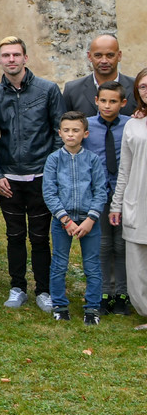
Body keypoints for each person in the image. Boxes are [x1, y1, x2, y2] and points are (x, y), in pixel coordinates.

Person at [0, 36, 65, 311]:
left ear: (25, 58)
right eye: (5, 55)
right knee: (14, 235)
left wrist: (51, 172)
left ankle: (44, 290)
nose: (11, 60)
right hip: (9, 178)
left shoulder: (47, 90)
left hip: (41, 177)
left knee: (41, 237)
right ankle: (17, 287)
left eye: (16, 55)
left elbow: (59, 132)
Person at [45, 111, 110, 323]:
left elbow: (101, 190)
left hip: (89, 221)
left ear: (85, 133)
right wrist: (65, 220)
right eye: (66, 130)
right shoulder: (53, 160)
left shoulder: (92, 160)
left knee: (92, 265)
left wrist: (90, 219)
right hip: (62, 221)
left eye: (76, 130)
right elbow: (49, 192)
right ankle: (59, 305)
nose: (71, 135)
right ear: (60, 133)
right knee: (59, 264)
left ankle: (92, 307)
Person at [85, 82, 130, 314]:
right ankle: (102, 292)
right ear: (96, 101)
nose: (107, 105)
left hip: (125, 193)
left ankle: (122, 294)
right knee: (102, 244)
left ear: (123, 103)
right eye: (103, 101)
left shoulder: (131, 125)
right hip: (98, 194)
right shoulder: (87, 127)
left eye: (113, 101)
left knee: (122, 245)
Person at [107, 68, 147, 328]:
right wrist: (117, 203)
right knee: (137, 263)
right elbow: (125, 169)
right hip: (138, 200)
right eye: (143, 87)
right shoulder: (133, 124)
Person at [61, 32, 137, 118]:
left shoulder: (136, 87)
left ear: (119, 56)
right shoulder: (72, 90)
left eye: (110, 55)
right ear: (89, 56)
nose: (104, 61)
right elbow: (65, 125)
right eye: (98, 55)